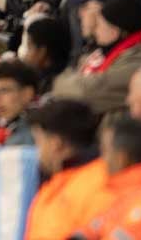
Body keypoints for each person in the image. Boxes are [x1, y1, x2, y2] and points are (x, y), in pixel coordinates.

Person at [24, 99, 110, 240]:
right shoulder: (53, 185)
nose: (37, 151)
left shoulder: (99, 185)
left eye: (38, 141)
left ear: (56, 144)